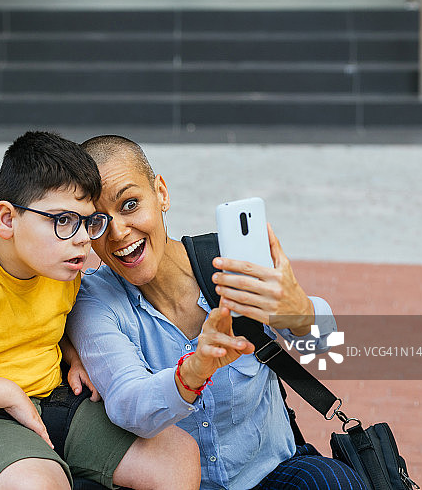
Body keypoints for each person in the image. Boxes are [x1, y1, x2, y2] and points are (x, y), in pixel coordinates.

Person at [0, 132, 200, 490]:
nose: (83, 238)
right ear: (7, 219)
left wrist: (72, 355)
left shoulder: (60, 266)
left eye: (88, 222)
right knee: (39, 484)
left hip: (51, 403)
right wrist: (6, 392)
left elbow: (38, 323)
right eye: (63, 221)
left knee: (177, 456)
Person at [67, 135, 367, 490]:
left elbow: (325, 348)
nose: (118, 232)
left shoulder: (229, 262)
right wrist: (194, 370)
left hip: (272, 473)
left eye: (130, 204)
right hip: (181, 484)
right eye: (97, 221)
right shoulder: (94, 299)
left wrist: (299, 312)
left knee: (332, 481)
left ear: (161, 193)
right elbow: (129, 404)